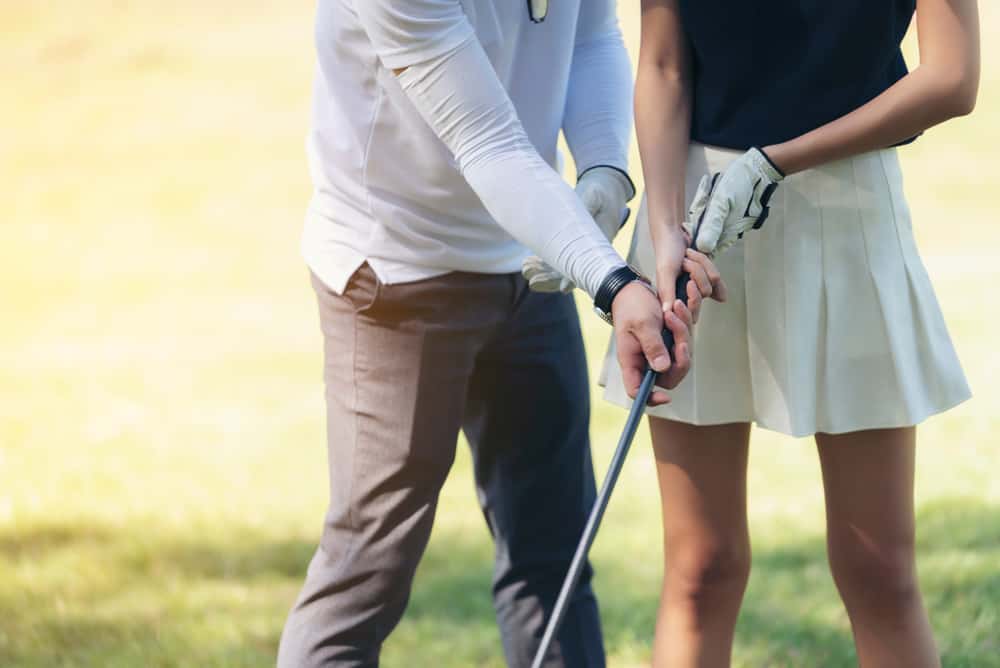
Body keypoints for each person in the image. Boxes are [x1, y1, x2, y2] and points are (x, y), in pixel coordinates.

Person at [276, 1, 716, 666]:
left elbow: (593, 34)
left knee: (553, 557)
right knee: (368, 568)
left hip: (531, 253)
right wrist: (613, 281)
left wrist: (602, 169)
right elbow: (487, 143)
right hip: (397, 270)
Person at [600, 0, 980, 665]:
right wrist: (663, 234)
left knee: (879, 570)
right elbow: (662, 64)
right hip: (694, 215)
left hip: (849, 209)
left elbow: (953, 76)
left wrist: (774, 162)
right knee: (700, 567)